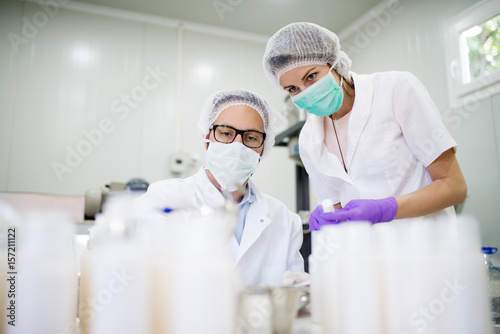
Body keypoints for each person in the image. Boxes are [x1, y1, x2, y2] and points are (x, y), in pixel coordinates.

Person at [262, 22, 467, 229]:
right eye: (292, 88)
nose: (305, 91)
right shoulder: (309, 137)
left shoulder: (396, 90)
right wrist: (328, 217)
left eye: (311, 76)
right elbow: (336, 207)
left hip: (427, 250)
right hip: (366, 256)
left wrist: (384, 209)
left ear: (333, 63)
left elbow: (454, 186)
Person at [134, 89, 304, 287]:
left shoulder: (284, 219)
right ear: (207, 138)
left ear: (263, 148)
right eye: (225, 133)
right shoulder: (165, 199)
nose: (238, 146)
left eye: (251, 137)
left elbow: (293, 289)